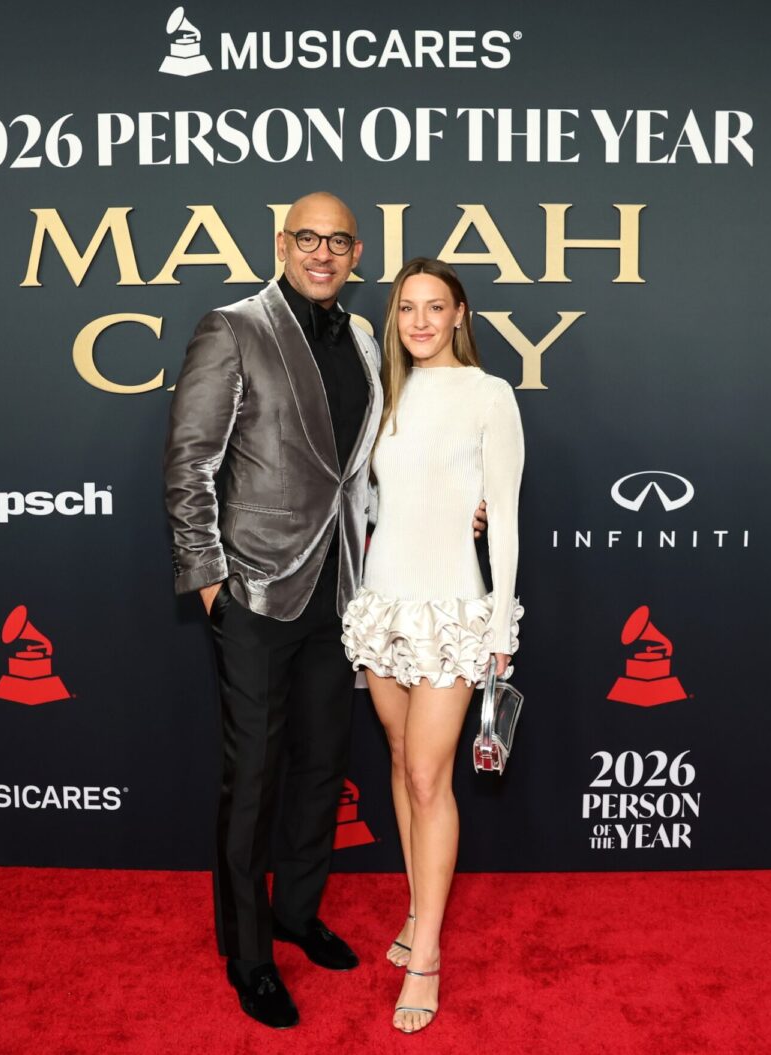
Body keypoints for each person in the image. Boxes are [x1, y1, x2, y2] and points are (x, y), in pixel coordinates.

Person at [164, 194, 488, 1030]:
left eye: (338, 241)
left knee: (320, 766)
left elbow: (372, 470)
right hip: (256, 591)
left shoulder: (363, 344)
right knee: (256, 778)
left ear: (355, 251)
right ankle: (248, 953)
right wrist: (209, 579)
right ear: (282, 243)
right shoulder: (231, 326)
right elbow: (192, 461)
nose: (322, 252)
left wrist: (460, 506)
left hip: (342, 592)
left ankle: (298, 912)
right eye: (307, 238)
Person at [340, 257, 526, 1035]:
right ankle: (419, 910)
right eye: (406, 307)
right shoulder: (383, 393)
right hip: (382, 604)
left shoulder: (490, 394)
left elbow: (506, 515)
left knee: (427, 774)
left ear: (460, 315)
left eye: (434, 307)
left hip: (453, 607)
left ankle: (427, 958)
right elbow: (375, 495)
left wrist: (499, 624)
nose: (419, 321)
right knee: (395, 759)